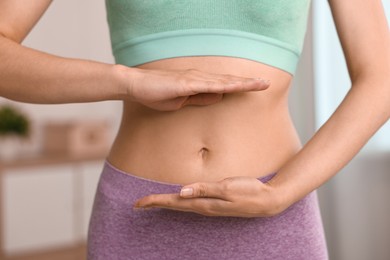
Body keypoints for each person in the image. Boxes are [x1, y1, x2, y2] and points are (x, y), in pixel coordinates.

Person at [0, 0, 389, 259]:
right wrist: (127, 82)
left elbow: (382, 77)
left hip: (274, 211)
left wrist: (280, 193)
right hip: (140, 215)